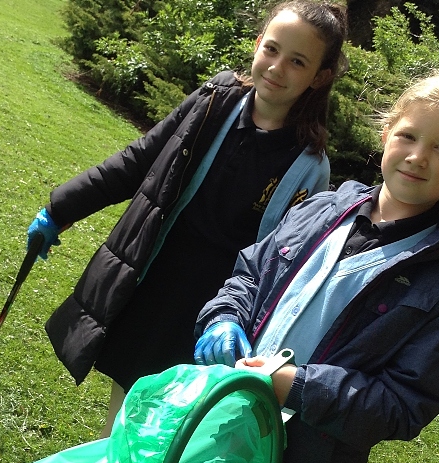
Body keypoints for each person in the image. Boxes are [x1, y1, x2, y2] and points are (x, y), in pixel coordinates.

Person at [26, 0, 350, 437]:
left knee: (172, 432)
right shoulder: (212, 103)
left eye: (297, 61)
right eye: (271, 50)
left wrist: (238, 322)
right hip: (152, 288)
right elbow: (138, 160)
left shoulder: (311, 167)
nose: (276, 68)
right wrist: (60, 209)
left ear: (319, 77)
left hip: (214, 316)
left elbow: (281, 265)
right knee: (127, 415)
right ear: (258, 44)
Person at [194, 72, 439, 463]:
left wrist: (297, 387)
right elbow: (249, 276)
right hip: (214, 422)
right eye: (408, 136)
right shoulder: (320, 209)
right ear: (386, 134)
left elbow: (405, 403)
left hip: (305, 460)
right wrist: (223, 317)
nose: (418, 156)